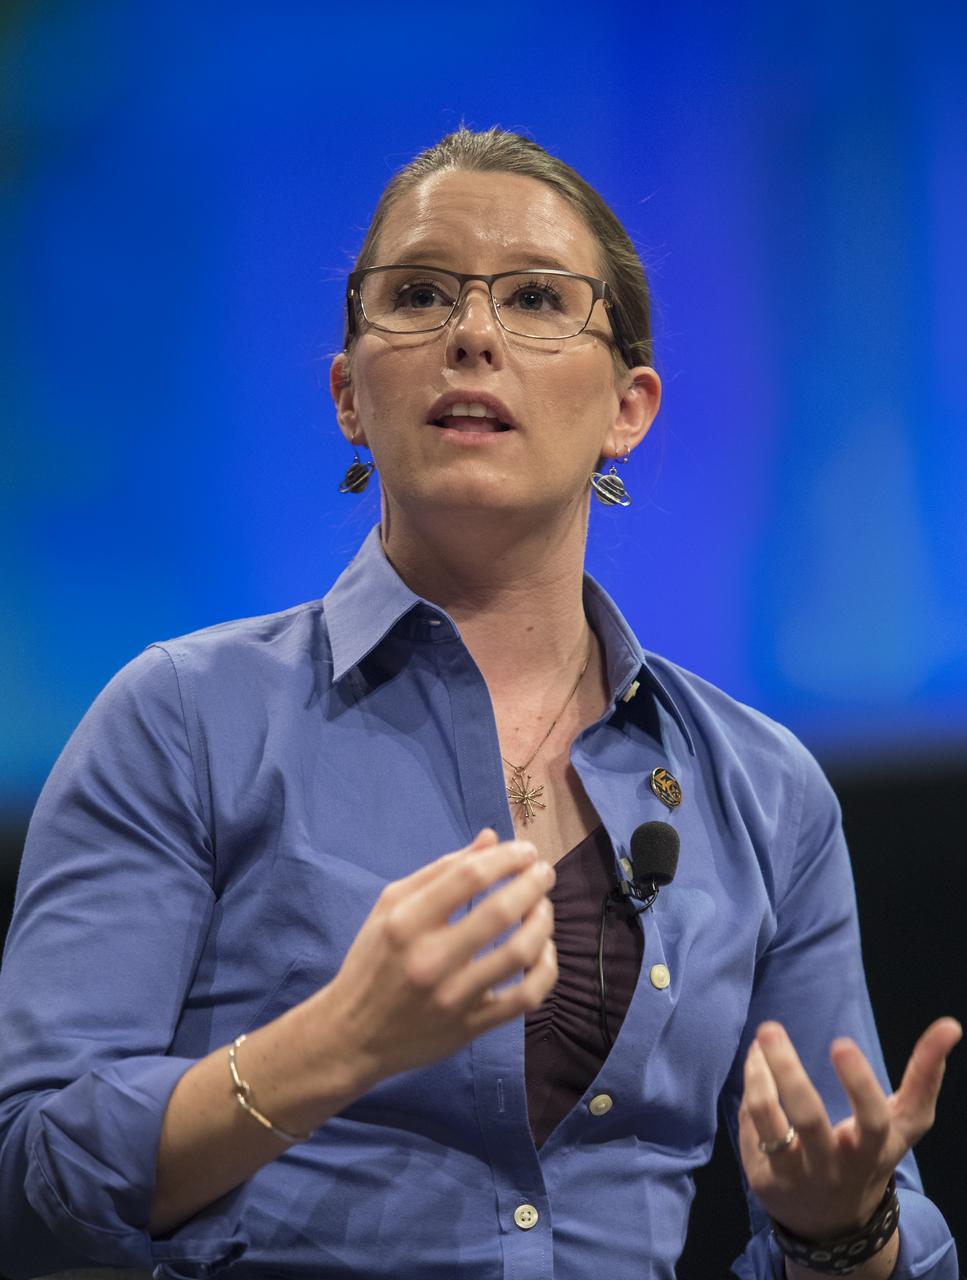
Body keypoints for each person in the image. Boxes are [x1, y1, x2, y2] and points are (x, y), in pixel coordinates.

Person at [0, 127, 959, 1280]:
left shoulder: (763, 791)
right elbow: (31, 1180)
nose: (471, 335)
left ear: (628, 406)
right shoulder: (184, 720)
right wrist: (335, 1041)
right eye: (416, 294)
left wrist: (839, 1224)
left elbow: (868, 1230)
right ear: (350, 393)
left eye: (538, 299)